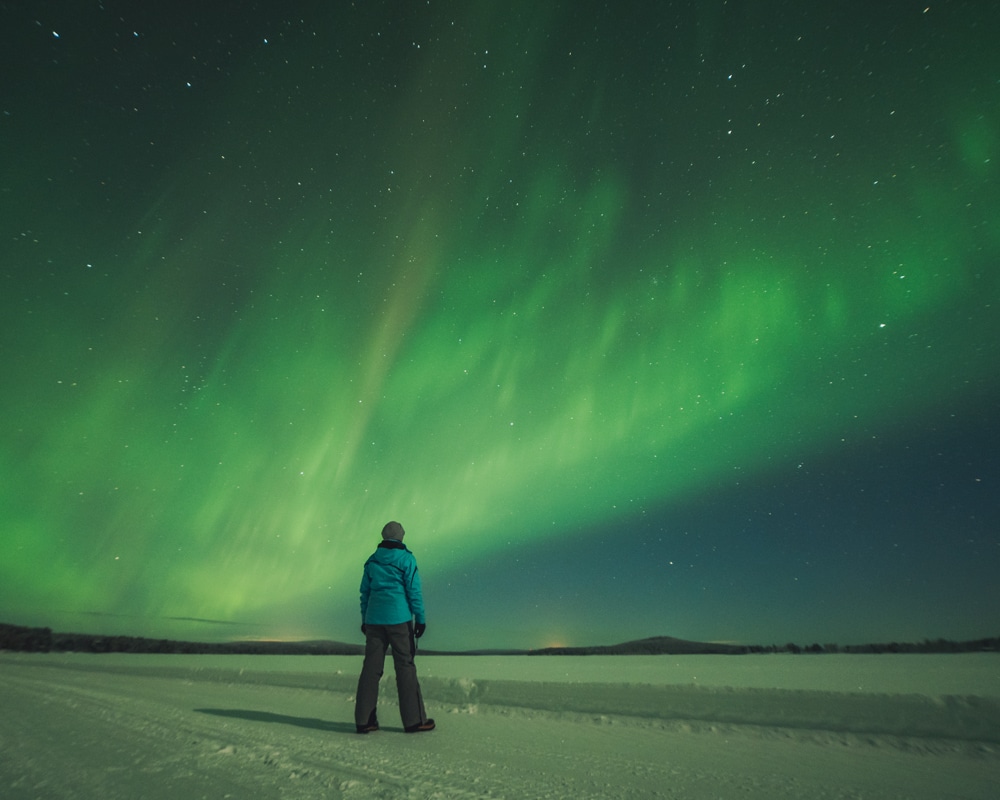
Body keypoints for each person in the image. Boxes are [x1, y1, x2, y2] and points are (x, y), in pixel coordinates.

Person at [354, 520, 435, 734]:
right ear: (401, 537)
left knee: (371, 669)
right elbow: (414, 591)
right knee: (405, 667)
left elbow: (365, 593)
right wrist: (421, 618)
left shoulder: (371, 561)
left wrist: (365, 619)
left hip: (373, 620)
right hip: (399, 619)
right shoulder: (407, 559)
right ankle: (414, 721)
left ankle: (364, 720)